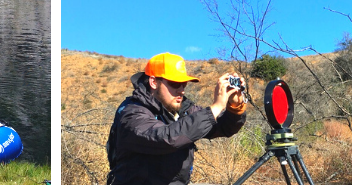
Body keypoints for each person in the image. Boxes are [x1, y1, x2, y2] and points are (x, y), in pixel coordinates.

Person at [106, 52, 247, 185]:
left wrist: (235, 105)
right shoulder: (132, 112)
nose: (181, 90)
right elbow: (166, 138)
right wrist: (216, 107)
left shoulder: (183, 110)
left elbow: (224, 127)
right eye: (174, 84)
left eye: (183, 84)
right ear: (154, 82)